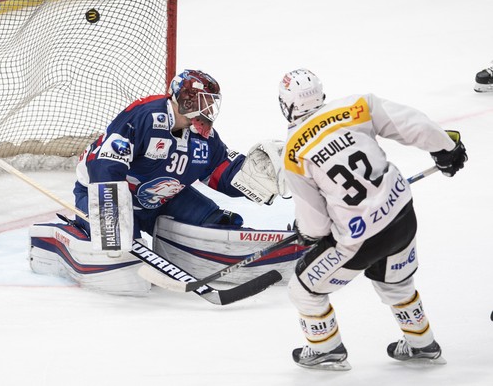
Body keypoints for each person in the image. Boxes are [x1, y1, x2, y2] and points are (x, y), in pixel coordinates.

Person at [279, 68, 467, 370]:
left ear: (286, 105)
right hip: (401, 214)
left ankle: (325, 349)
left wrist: (307, 234)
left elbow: (316, 225)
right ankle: (422, 344)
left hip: (360, 238)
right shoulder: (356, 105)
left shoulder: (293, 152)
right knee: (396, 282)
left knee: (303, 288)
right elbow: (411, 123)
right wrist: (446, 147)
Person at [58, 69, 285, 294]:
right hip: (107, 194)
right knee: (123, 256)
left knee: (217, 222)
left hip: (163, 199)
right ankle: (76, 231)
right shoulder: (146, 116)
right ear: (183, 98)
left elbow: (222, 171)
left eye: (209, 103)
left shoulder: (203, 137)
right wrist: (112, 220)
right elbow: (104, 165)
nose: (205, 109)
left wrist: (262, 177)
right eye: (200, 100)